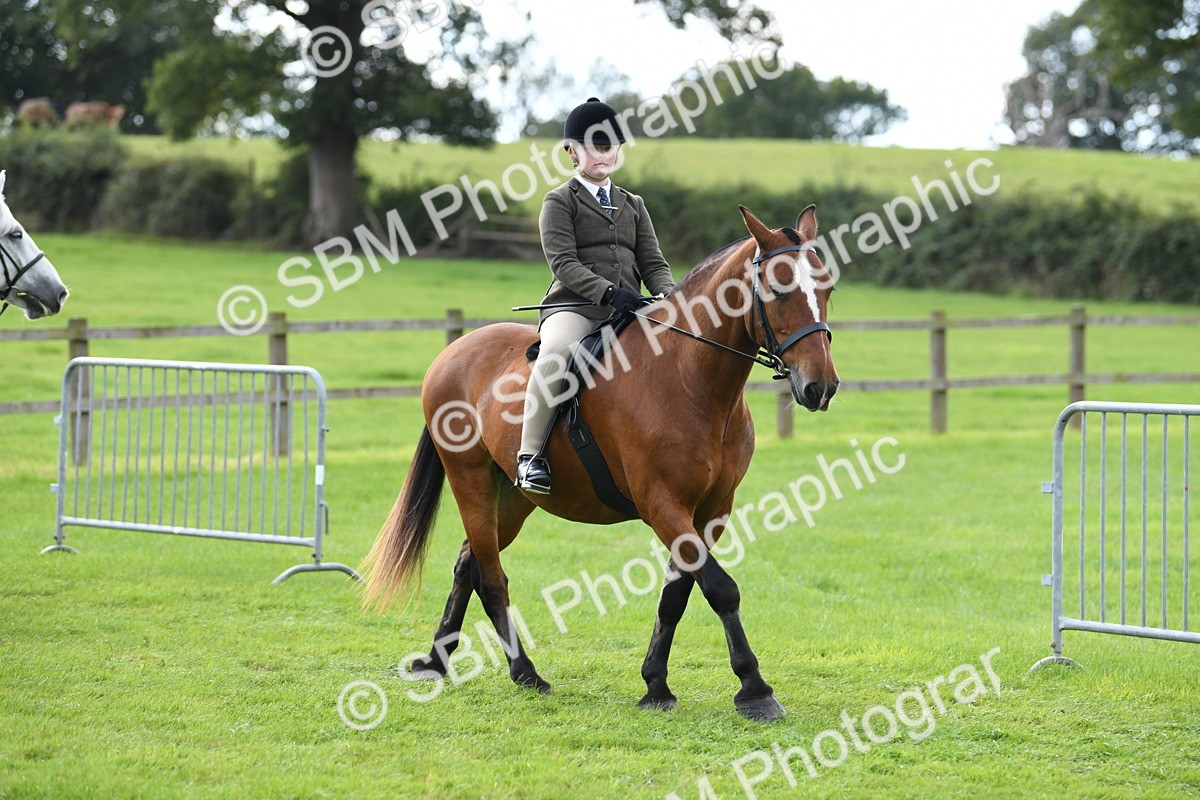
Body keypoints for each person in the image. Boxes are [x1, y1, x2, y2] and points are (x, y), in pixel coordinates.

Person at [515, 97, 676, 495]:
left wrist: (671, 298)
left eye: (608, 146)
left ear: (618, 151)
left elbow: (653, 262)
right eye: (591, 146)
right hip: (576, 307)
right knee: (555, 354)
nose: (601, 154)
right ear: (571, 152)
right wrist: (609, 292)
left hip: (629, 309)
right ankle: (529, 456)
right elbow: (563, 264)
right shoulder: (559, 201)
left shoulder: (633, 205)